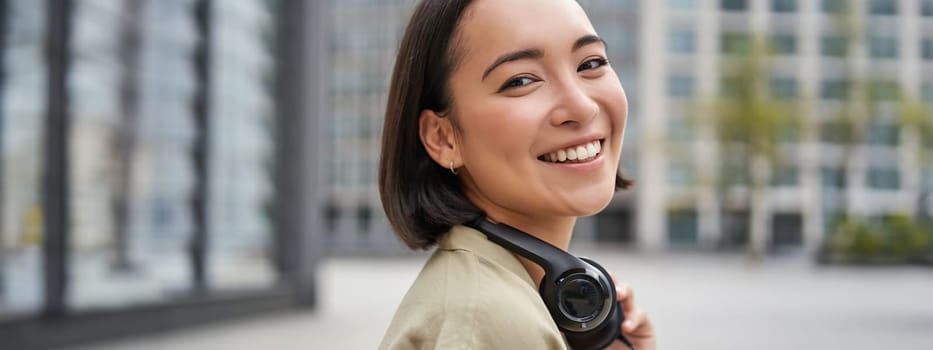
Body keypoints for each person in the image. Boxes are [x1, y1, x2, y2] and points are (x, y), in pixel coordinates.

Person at [378, 0, 655, 349]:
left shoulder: (490, 295)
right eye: (521, 80)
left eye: (591, 63)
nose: (582, 107)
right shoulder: (489, 320)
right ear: (443, 137)